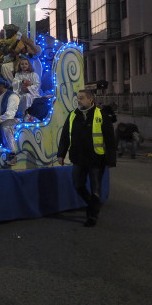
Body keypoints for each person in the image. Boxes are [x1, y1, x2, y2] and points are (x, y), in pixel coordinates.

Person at [57, 89, 117, 227]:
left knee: (95, 188)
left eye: (82, 98)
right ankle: (92, 205)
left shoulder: (101, 115)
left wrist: (111, 160)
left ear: (90, 99)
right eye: (78, 98)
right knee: (77, 184)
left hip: (96, 159)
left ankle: (92, 216)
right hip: (78, 158)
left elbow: (110, 139)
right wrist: (61, 154)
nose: (79, 100)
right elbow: (65, 136)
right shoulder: (73, 115)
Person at [0, 77, 20, 166]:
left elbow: (10, 114)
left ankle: (12, 154)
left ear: (2, 85)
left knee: (5, 126)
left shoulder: (12, 96)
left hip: (14, 120)